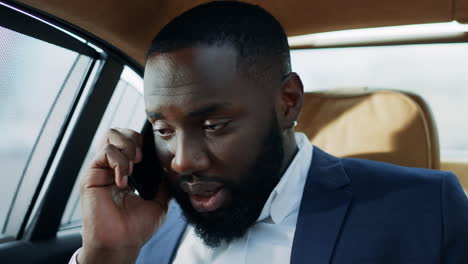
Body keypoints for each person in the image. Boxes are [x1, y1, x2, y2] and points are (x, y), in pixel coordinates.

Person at [71, 1, 468, 263]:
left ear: (288, 101)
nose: (184, 160)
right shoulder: (141, 229)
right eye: (163, 129)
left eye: (214, 125)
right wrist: (104, 255)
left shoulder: (427, 209)